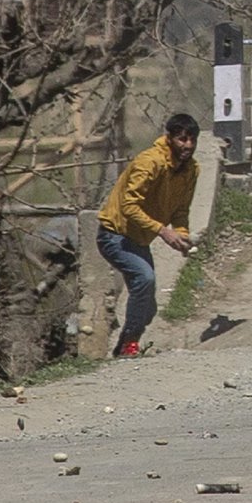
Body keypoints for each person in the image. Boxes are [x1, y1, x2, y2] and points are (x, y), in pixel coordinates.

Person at [95, 114, 200, 358]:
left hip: (140, 240)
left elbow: (181, 210)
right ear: (170, 138)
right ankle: (128, 345)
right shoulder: (149, 162)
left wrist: (181, 236)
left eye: (192, 140)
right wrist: (163, 232)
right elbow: (129, 206)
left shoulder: (191, 170)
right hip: (115, 236)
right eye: (182, 139)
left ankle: (123, 347)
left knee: (148, 309)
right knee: (145, 278)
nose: (188, 145)